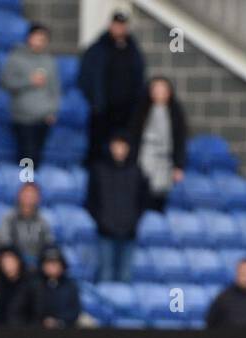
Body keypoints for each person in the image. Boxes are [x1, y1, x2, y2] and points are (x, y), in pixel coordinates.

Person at [78, 10, 144, 162]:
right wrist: (95, 101)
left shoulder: (133, 50)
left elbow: (139, 78)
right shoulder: (97, 49)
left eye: (122, 25)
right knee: (98, 149)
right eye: (117, 25)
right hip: (102, 110)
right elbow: (84, 78)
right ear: (111, 25)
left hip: (127, 110)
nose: (119, 29)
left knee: (123, 149)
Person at [86, 136, 145, 283]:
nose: (120, 150)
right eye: (117, 145)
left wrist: (133, 222)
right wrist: (102, 221)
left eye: (123, 146)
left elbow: (142, 201)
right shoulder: (99, 170)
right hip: (105, 231)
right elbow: (91, 200)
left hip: (129, 232)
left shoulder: (136, 172)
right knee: (105, 274)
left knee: (125, 276)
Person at [0, 22, 59, 169]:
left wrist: (52, 111)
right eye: (37, 37)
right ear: (29, 37)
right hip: (23, 117)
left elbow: (55, 88)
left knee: (37, 157)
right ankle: (25, 185)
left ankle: (33, 187)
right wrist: (29, 81)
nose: (39, 41)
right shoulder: (16, 58)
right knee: (26, 157)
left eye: (43, 38)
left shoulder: (49, 61)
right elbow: (6, 82)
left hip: (43, 118)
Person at [129, 75, 186, 212]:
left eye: (163, 90)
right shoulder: (141, 110)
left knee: (159, 194)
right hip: (145, 156)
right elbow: (134, 135)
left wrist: (178, 165)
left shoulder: (175, 112)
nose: (159, 94)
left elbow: (179, 140)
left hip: (165, 159)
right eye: (156, 90)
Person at [0, 181, 53, 269]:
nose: (29, 198)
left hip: (37, 266)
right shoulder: (9, 218)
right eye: (26, 195)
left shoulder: (43, 221)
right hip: (14, 265)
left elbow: (49, 245)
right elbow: (5, 243)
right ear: (19, 196)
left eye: (32, 195)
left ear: (38, 198)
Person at [24, 245, 80, 328]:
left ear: (62, 265)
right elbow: (26, 310)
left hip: (65, 331)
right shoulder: (33, 285)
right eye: (48, 263)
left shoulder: (70, 285)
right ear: (42, 265)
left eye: (55, 263)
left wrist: (59, 322)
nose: (52, 267)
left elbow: (74, 311)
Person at [0, 244, 31, 325]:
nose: (7, 264)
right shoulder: (0, 285)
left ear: (18, 261)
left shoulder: (30, 284)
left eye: (10, 260)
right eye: (4, 261)